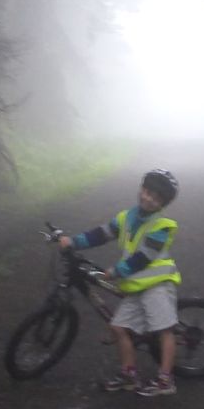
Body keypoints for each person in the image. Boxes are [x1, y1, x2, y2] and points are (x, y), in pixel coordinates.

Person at [59, 168, 181, 397]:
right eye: (147, 191)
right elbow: (100, 234)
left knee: (163, 329)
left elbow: (144, 257)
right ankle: (129, 376)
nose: (148, 199)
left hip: (156, 284)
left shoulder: (161, 226)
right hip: (136, 285)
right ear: (141, 189)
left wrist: (117, 271)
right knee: (118, 328)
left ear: (162, 204)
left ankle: (166, 380)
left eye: (156, 198)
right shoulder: (127, 217)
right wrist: (73, 242)